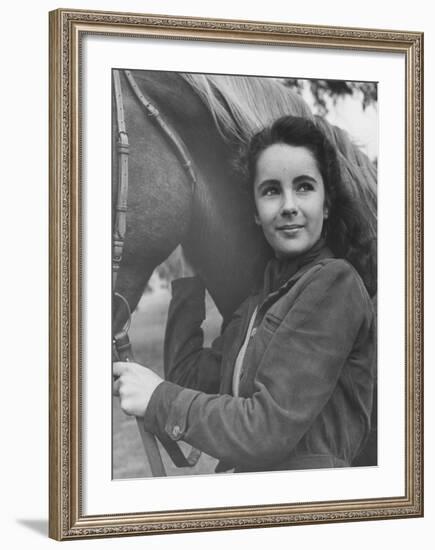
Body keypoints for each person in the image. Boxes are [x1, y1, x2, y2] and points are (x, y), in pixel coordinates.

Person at [113, 115, 377, 473]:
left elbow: (266, 429)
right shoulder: (259, 302)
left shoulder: (335, 284)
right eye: (271, 190)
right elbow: (188, 377)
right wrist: (190, 276)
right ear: (255, 212)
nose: (288, 205)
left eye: (303, 187)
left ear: (327, 204)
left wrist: (159, 399)